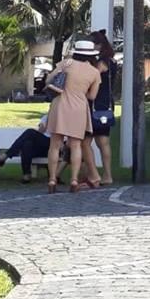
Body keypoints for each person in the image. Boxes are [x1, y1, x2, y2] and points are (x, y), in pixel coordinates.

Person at [46, 40, 102, 193]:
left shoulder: (65, 64)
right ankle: (74, 179)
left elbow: (49, 80)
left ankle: (52, 179)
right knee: (76, 145)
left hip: (60, 105)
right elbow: (92, 96)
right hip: (78, 108)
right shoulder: (94, 72)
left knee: (54, 145)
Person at [0, 115, 53, 183]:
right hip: (39, 148)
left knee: (29, 131)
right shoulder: (46, 117)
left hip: (51, 146)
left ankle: (4, 156)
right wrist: (46, 121)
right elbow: (40, 131)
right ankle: (26, 175)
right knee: (27, 144)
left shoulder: (58, 118)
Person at [88, 29, 117, 184]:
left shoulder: (102, 63)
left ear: (98, 45)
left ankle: (100, 174)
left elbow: (92, 78)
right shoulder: (111, 61)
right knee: (102, 141)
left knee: (93, 141)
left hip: (97, 103)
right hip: (105, 103)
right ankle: (106, 174)